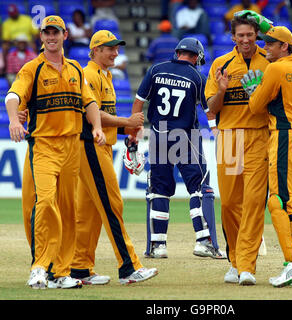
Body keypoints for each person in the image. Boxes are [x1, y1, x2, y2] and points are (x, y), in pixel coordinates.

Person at [5, 15, 106, 289]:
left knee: (67, 209)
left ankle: (61, 272)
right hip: (45, 147)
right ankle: (40, 267)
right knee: (46, 203)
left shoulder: (75, 68)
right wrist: (14, 120)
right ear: (41, 37)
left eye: (56, 33)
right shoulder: (32, 69)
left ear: (65, 36)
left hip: (72, 146)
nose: (51, 37)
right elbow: (13, 96)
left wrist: (97, 127)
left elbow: (89, 101)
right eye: (47, 33)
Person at [70, 30, 158, 285]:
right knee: (111, 206)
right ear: (95, 50)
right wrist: (127, 121)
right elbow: (90, 116)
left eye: (117, 48)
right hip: (90, 147)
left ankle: (79, 268)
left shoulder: (105, 76)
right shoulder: (88, 75)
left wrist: (125, 130)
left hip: (100, 146)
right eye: (110, 48)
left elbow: (103, 117)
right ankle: (129, 267)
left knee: (89, 213)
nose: (115, 52)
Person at [131, 37, 226, 259]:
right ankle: (204, 242)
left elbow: (138, 102)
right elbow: (209, 110)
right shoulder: (197, 77)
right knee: (198, 188)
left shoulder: (156, 69)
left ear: (177, 52)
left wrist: (134, 132)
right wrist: (216, 132)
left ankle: (158, 246)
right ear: (196, 57)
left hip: (159, 135)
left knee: (158, 190)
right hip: (185, 137)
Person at [243, 26, 292, 287]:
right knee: (290, 203)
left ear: (284, 46)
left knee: (278, 202)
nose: (265, 47)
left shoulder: (276, 68)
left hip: (284, 135)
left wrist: (253, 91)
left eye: (270, 44)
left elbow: (254, 107)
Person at [205, 11, 271, 286]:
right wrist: (221, 90)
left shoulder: (270, 61)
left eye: (250, 34)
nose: (245, 39)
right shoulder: (221, 63)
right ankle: (234, 260)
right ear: (233, 37)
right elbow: (210, 108)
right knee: (231, 204)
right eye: (240, 35)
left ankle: (247, 265)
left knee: (254, 204)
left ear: (257, 35)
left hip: (259, 137)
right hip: (229, 138)